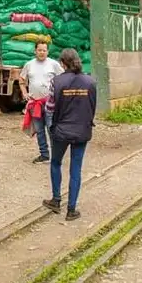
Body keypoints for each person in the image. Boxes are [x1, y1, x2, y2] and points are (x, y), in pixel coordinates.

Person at [41, 49, 96, 221]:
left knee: (56, 162)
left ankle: (56, 200)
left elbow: (49, 108)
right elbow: (92, 106)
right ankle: (72, 209)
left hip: (61, 131)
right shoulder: (90, 81)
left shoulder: (56, 81)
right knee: (76, 169)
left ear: (63, 64)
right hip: (82, 130)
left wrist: (51, 127)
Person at [20, 42, 63, 164]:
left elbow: (63, 79)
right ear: (35, 51)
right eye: (39, 50)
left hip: (50, 103)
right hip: (35, 103)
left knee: (51, 128)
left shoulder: (53, 64)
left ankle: (56, 156)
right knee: (39, 130)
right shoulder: (29, 65)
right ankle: (44, 154)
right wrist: (24, 93)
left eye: (44, 50)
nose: (42, 52)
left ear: (48, 52)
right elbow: (22, 80)